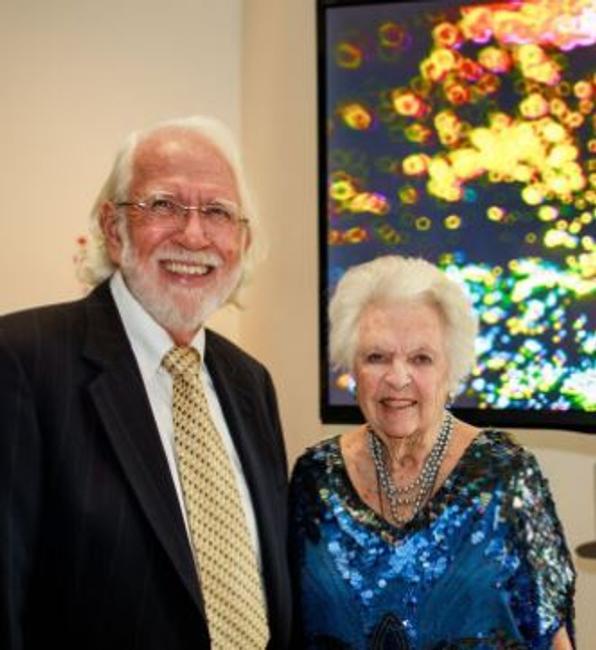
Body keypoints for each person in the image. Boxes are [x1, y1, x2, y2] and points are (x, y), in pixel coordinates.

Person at [0, 116, 292, 649]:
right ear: (114, 230)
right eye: (163, 205)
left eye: (218, 213)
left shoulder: (251, 384)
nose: (194, 234)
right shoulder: (21, 361)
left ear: (242, 241)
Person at [290, 255, 575, 649]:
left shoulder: (506, 475)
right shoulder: (314, 477)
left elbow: (553, 636)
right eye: (377, 357)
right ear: (351, 368)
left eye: (421, 359)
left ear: (451, 371)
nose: (398, 377)